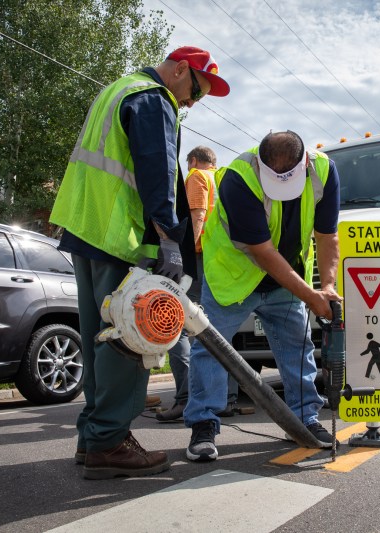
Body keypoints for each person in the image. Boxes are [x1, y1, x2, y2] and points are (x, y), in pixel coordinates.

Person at [49, 46, 230, 479]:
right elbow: (158, 170)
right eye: (195, 91)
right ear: (181, 70)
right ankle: (109, 443)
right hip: (120, 238)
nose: (190, 102)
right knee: (128, 339)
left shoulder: (118, 90)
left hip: (87, 230)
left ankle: (92, 438)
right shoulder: (154, 99)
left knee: (98, 338)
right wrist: (169, 237)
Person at [183, 130, 341, 462]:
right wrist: (311, 298)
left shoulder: (324, 171)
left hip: (287, 279)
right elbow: (263, 252)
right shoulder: (238, 178)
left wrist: (327, 286)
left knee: (297, 346)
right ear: (261, 162)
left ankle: (304, 419)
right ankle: (203, 426)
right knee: (211, 349)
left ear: (304, 163)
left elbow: (327, 236)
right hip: (234, 276)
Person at [156, 146, 240, 422]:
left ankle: (186, 398)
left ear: (193, 161)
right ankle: (226, 397)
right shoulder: (224, 178)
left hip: (200, 257)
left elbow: (197, 215)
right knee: (215, 326)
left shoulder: (196, 176)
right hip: (223, 261)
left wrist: (182, 255)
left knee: (178, 323)